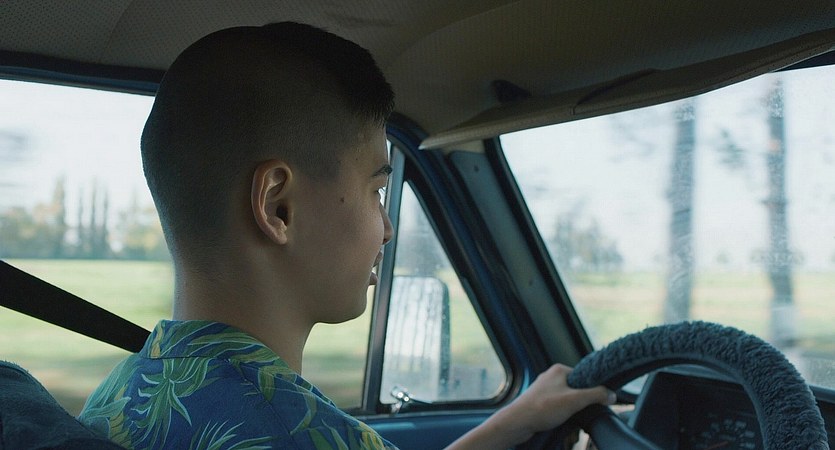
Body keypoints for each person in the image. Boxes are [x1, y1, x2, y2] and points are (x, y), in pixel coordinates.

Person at [78, 22, 613, 449]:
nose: (388, 228)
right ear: (278, 207)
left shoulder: (116, 397)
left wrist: (511, 423)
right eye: (376, 191)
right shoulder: (305, 433)